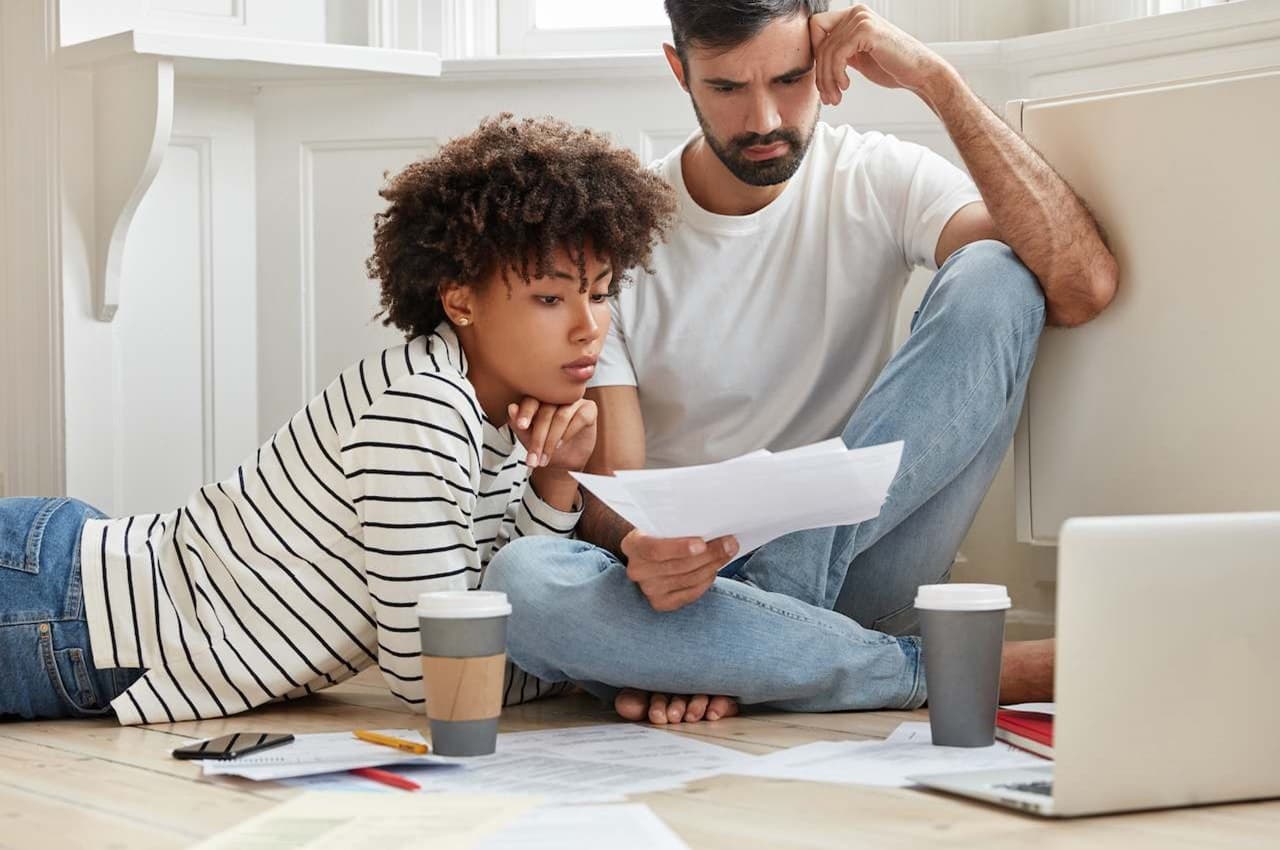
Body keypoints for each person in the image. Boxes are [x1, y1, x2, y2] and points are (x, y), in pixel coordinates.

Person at [483, 2, 1119, 724]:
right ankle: (929, 667)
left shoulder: (875, 177)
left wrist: (938, 82)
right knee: (522, 581)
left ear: (825, 59)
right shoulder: (620, 239)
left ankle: (750, 642)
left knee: (998, 273)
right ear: (679, 71)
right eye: (726, 88)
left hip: (859, 563)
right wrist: (640, 546)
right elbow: (615, 491)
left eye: (789, 79)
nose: (763, 119)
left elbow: (1080, 286)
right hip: (693, 586)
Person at [0, 115, 675, 723]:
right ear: (461, 300)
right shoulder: (425, 408)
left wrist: (557, 479)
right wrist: (601, 677)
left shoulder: (497, 413)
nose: (590, 328)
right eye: (551, 297)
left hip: (70, 598)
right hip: (61, 610)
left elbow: (489, 603)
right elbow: (439, 680)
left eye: (600, 293)